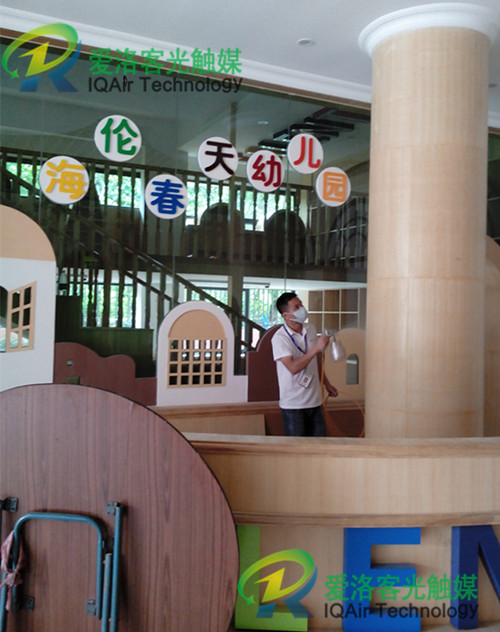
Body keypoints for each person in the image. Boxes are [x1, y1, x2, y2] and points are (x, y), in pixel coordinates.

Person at [271, 291, 338, 436]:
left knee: (319, 445)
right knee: (297, 447)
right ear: (286, 315)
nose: (302, 309)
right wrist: (316, 349)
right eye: (296, 307)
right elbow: (293, 367)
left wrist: (327, 383)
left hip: (315, 402)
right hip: (293, 406)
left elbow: (315, 360)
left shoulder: (310, 328)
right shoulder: (280, 338)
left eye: (301, 305)